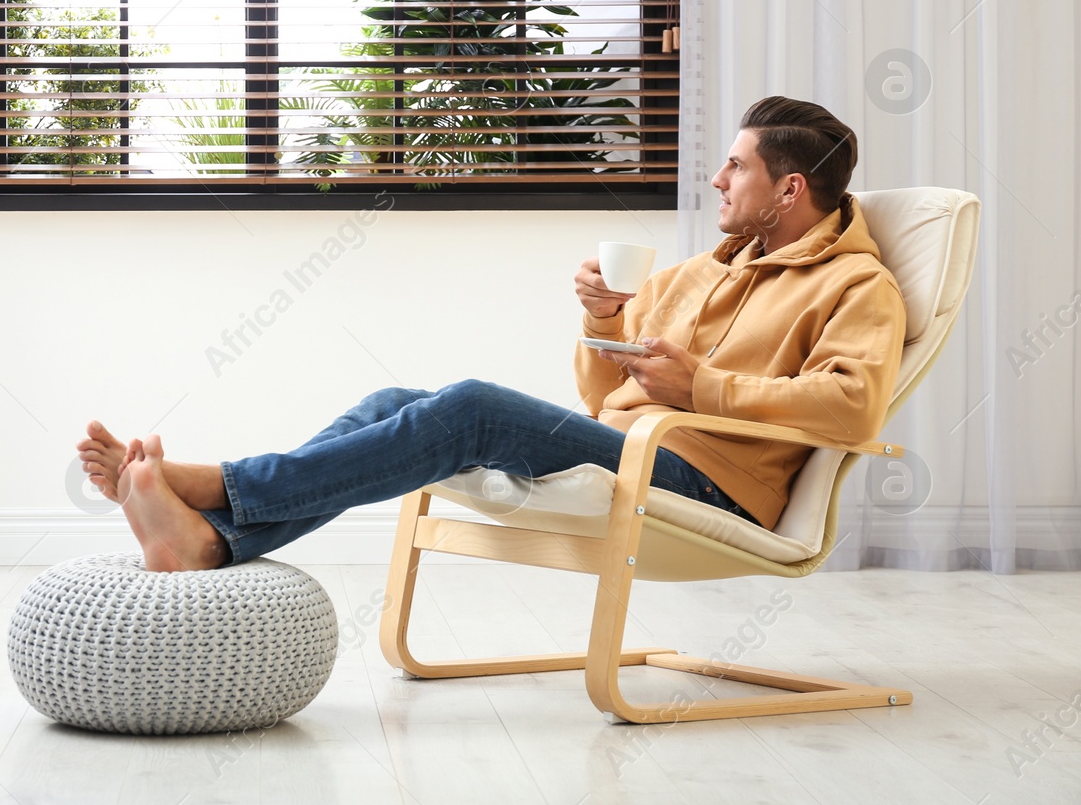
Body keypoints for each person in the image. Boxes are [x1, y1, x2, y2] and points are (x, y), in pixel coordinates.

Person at [77, 96, 907, 572]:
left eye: (738, 167)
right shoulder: (703, 270)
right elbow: (601, 391)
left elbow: (854, 406)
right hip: (632, 446)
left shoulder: (855, 284)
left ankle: (217, 483)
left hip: (710, 483)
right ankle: (211, 542)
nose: (718, 179)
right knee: (393, 400)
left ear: (790, 188)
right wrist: (604, 319)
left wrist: (703, 388)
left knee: (470, 405)